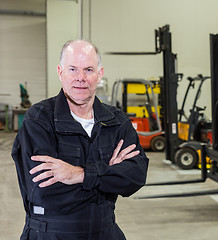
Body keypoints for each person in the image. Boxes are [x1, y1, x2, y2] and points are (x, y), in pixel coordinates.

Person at [11, 40, 149, 240]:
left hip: (105, 232)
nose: (81, 78)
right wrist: (109, 174)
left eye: (89, 70)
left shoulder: (116, 121)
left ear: (100, 74)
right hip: (51, 233)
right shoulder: (39, 120)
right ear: (60, 72)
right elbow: (46, 193)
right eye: (73, 69)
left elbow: (135, 176)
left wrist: (79, 174)